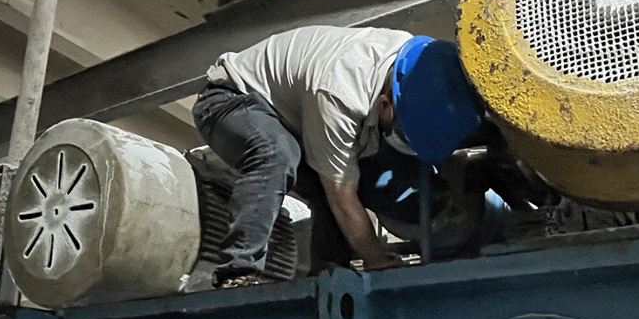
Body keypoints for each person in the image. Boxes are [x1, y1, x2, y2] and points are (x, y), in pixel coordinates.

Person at [192, 25, 484, 287]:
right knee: (279, 154)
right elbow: (342, 197)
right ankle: (238, 270)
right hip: (229, 100)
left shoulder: (420, 66)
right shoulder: (340, 94)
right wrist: (376, 259)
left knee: (329, 175)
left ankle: (328, 279)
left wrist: (458, 187)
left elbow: (445, 144)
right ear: (385, 106)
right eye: (408, 136)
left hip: (294, 115)